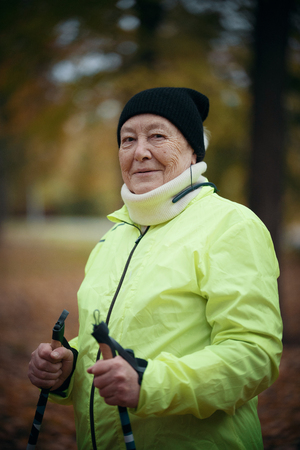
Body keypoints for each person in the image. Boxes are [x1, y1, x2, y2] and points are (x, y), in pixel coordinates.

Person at [28, 87, 283, 450]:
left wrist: (150, 383)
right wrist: (67, 368)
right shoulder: (115, 235)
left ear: (193, 150)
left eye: (158, 136)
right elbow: (107, 342)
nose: (140, 152)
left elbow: (254, 355)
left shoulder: (232, 225)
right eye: (127, 139)